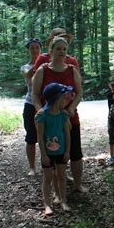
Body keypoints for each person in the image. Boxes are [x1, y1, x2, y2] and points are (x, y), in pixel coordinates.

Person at [32, 36, 86, 193]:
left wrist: (71, 108)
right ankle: (56, 192)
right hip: (49, 120)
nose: (62, 52)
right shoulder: (43, 70)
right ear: (51, 51)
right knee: (53, 154)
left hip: (69, 118)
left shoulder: (71, 69)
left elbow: (79, 91)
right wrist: (39, 110)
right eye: (58, 49)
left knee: (75, 152)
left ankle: (77, 184)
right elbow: (35, 94)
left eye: (64, 49)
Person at [35, 83, 73, 216]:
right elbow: (39, 136)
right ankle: (47, 205)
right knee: (48, 178)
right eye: (64, 97)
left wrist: (68, 151)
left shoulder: (63, 115)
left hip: (61, 152)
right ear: (57, 98)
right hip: (47, 154)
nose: (66, 99)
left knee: (61, 177)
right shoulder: (42, 116)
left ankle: (63, 201)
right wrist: (43, 154)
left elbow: (67, 133)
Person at [21, 38, 42, 176]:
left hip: (46, 104)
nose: (34, 50)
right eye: (32, 48)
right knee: (31, 137)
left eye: (37, 48)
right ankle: (32, 168)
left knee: (48, 136)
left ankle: (50, 165)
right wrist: (39, 64)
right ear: (28, 50)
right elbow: (29, 76)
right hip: (30, 104)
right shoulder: (25, 67)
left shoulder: (47, 63)